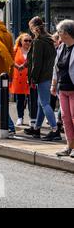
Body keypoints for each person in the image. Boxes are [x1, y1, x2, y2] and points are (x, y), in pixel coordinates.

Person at [24, 16, 60, 141]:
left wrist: (32, 79)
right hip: (51, 75)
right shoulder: (50, 39)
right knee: (41, 104)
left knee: (45, 103)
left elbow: (36, 63)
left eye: (31, 28)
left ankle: (55, 130)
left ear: (34, 28)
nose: (31, 31)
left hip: (42, 76)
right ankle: (36, 129)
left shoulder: (38, 41)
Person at [51, 20, 74, 156]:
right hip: (62, 89)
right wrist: (54, 85)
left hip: (73, 89)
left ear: (66, 33)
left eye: (59, 32)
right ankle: (69, 146)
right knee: (65, 118)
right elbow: (56, 68)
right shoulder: (61, 48)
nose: (58, 34)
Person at [9, 33, 32, 126]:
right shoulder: (16, 50)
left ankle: (32, 118)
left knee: (31, 99)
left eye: (30, 41)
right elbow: (10, 61)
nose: (28, 42)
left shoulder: (33, 50)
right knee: (20, 99)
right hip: (18, 78)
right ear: (21, 41)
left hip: (30, 78)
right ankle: (20, 117)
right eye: (25, 40)